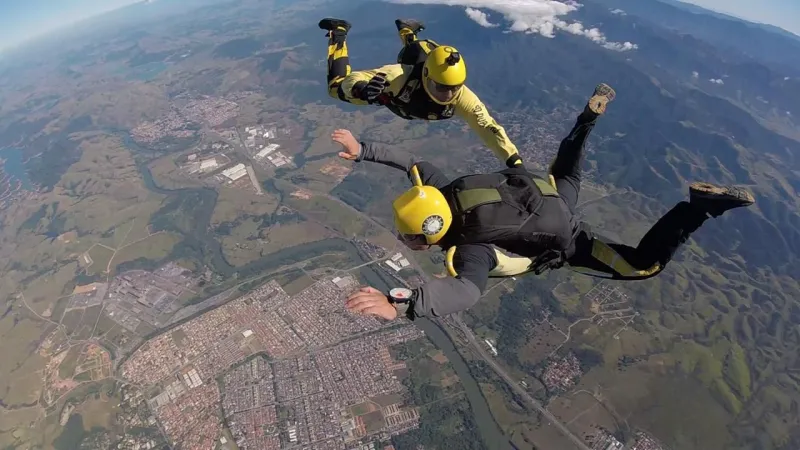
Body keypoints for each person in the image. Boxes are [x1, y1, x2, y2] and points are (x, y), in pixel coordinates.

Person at [335, 83, 756, 321]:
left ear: (434, 232)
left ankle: (699, 207)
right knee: (567, 175)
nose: (405, 241)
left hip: (567, 237)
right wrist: (363, 149)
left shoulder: (469, 251)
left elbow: (466, 292)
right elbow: (410, 161)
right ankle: (586, 121)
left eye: (411, 238)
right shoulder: (440, 191)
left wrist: (402, 304)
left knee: (644, 266)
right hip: (541, 189)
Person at [318, 17, 524, 168]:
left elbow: (489, 127)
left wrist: (514, 161)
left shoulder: (463, 97)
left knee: (415, 51)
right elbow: (354, 79)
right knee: (336, 88)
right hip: (405, 85)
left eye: (454, 88)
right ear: (426, 76)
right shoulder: (398, 76)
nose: (448, 95)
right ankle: (339, 32)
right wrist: (361, 89)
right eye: (441, 87)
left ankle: (407, 30)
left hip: (416, 81)